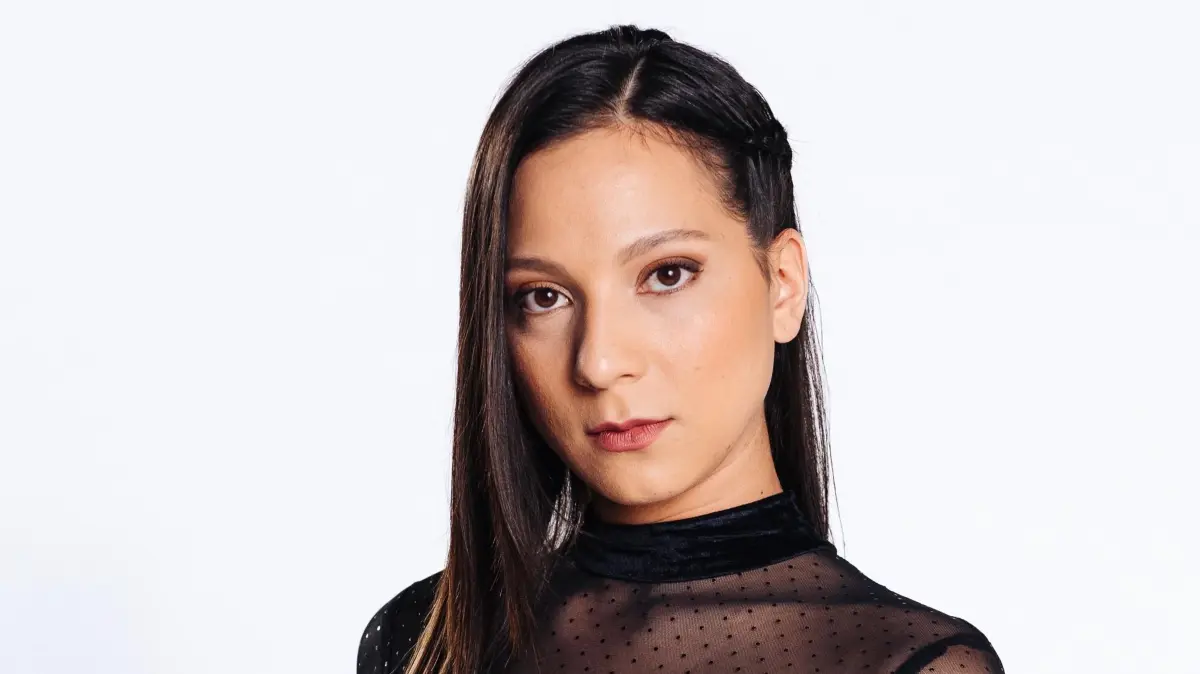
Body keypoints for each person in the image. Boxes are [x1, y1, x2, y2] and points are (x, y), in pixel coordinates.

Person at [358, 24, 1005, 674]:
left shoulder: (909, 663)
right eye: (543, 297)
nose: (599, 362)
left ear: (783, 285)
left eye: (667, 275)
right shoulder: (423, 640)